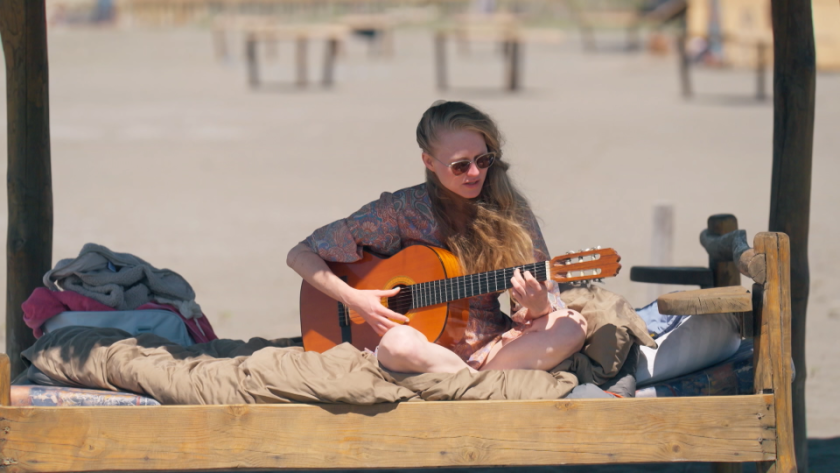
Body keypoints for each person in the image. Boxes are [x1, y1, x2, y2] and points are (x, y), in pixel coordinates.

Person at [287, 101, 587, 374]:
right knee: (397, 344)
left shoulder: (510, 210)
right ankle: (484, 386)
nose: (474, 172)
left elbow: (544, 303)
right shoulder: (400, 210)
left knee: (571, 326)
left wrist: (538, 306)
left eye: (483, 160)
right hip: (424, 349)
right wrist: (355, 299)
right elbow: (301, 254)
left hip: (494, 348)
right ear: (429, 162)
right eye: (460, 165)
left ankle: (476, 382)